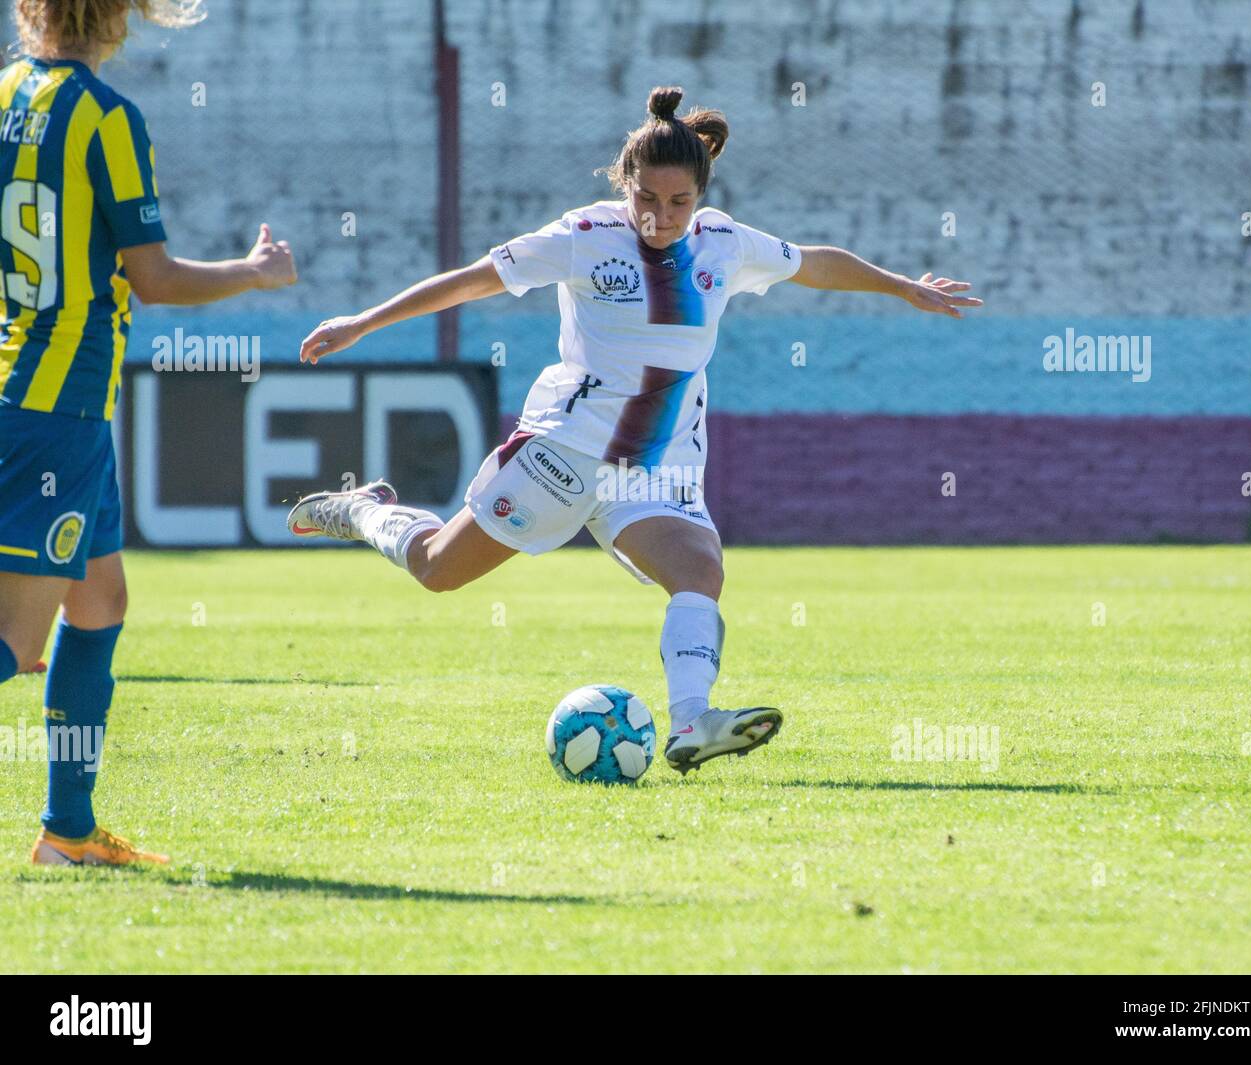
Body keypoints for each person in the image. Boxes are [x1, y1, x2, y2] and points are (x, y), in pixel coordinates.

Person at [289, 85, 980, 775]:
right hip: (562, 449)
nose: (660, 217)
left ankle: (691, 722)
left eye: (679, 203)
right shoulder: (583, 239)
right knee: (438, 570)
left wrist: (902, 286)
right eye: (647, 198)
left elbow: (813, 260)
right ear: (626, 184)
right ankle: (366, 510)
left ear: (701, 195)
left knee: (700, 569)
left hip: (651, 466)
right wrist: (362, 323)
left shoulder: (724, 244)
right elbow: (471, 281)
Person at [0, 0, 297, 865]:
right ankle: (67, 829)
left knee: (99, 604)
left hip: (31, 390)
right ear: (116, 15)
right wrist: (253, 272)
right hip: (56, 404)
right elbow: (155, 278)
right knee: (17, 642)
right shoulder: (107, 118)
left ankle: (68, 832)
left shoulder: (4, 92)